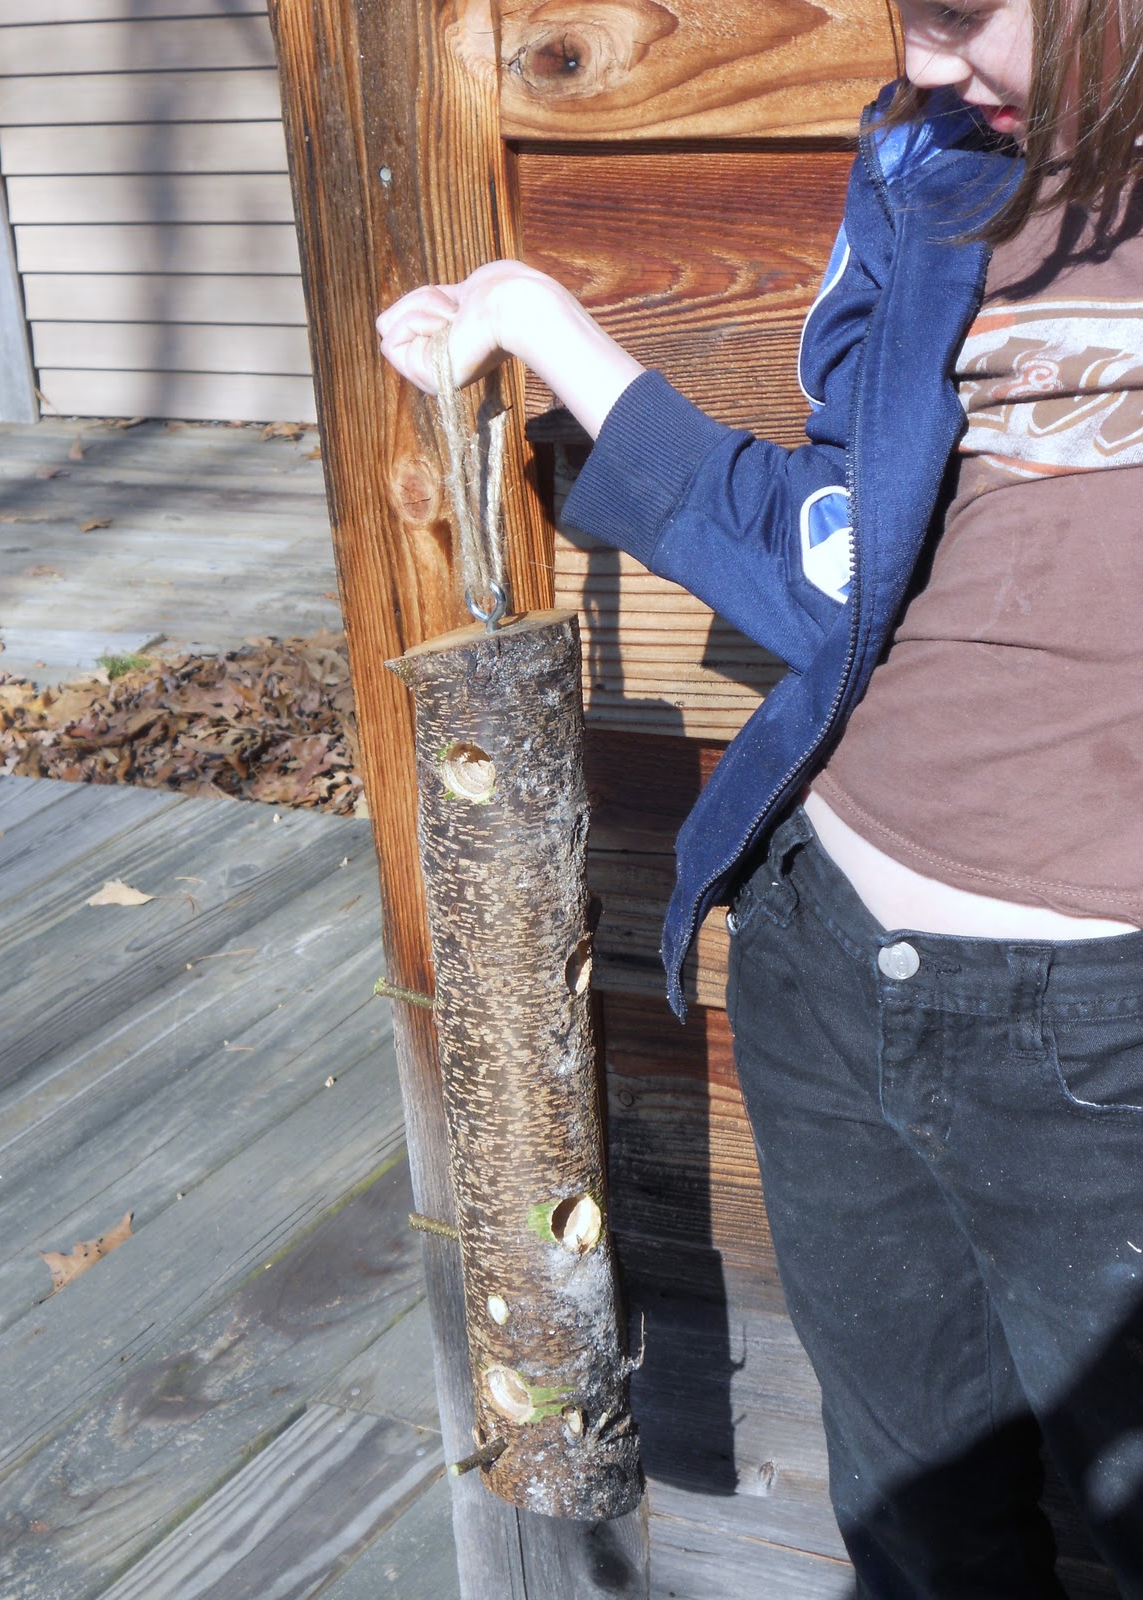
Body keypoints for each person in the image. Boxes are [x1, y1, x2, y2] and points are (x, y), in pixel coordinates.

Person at [377, 0, 1143, 1591]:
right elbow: (836, 569)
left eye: (960, 13)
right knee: (922, 1535)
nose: (920, 63)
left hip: (1111, 1042)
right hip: (829, 959)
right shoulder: (936, 163)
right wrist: (543, 319)